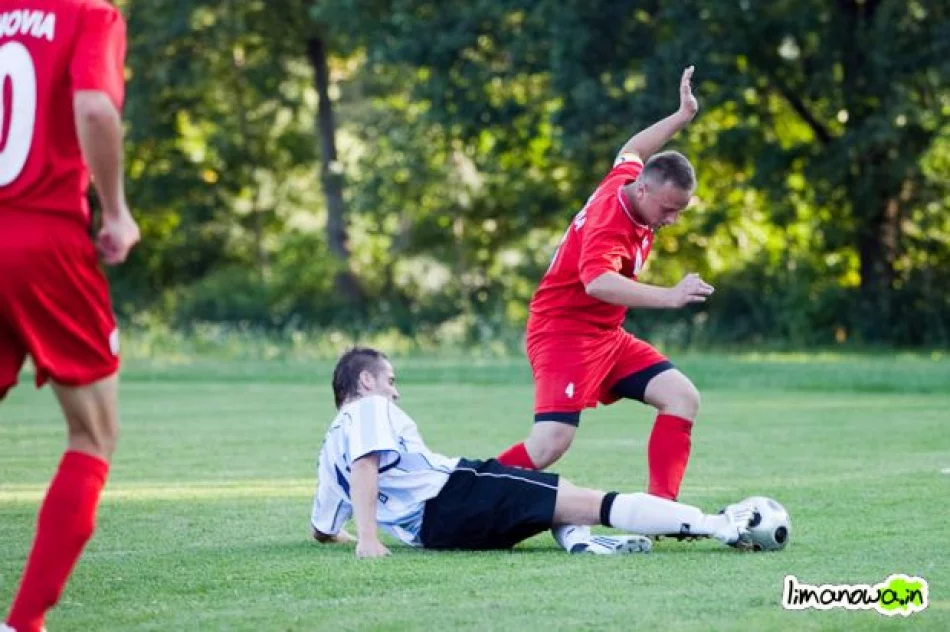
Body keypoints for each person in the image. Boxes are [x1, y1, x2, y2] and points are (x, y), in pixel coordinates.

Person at [496, 67, 710, 518]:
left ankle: (660, 512)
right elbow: (598, 282)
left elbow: (632, 149)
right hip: (562, 332)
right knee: (551, 442)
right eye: (668, 209)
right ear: (644, 189)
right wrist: (670, 296)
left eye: (679, 211)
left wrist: (681, 116)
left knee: (681, 397)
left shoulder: (628, 180)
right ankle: (461, 493)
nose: (672, 220)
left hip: (606, 337)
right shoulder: (610, 224)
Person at [310, 348, 753, 558]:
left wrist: (348, 534)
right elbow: (366, 464)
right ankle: (718, 525)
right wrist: (367, 539)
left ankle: (583, 542)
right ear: (365, 382)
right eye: (390, 381)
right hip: (456, 492)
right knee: (591, 501)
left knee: (554, 501)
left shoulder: (329, 448)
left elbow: (323, 529)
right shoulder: (369, 408)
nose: (395, 392)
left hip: (434, 533)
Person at [1, 2, 138, 631]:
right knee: (93, 434)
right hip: (43, 241)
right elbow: (94, 109)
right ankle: (23, 622)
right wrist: (115, 211)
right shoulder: (88, 15)